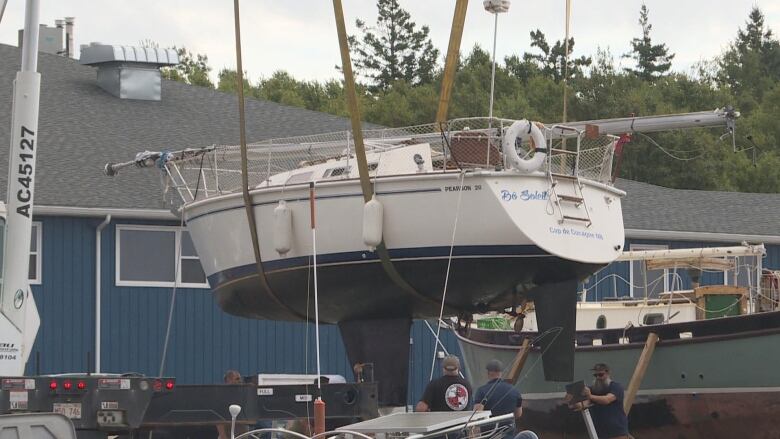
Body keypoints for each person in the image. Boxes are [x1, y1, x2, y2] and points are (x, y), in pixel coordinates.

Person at [577, 363, 630, 439]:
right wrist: (572, 399)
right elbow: (583, 405)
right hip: (599, 433)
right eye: (596, 375)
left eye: (601, 375)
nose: (598, 377)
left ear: (608, 373)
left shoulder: (616, 387)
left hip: (616, 432)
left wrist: (590, 396)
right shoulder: (593, 389)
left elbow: (607, 400)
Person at [474, 359, 523, 438]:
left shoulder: (481, 391)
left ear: (488, 373)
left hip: (489, 434)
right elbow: (518, 414)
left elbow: (477, 414)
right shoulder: (515, 390)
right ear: (501, 373)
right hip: (509, 433)